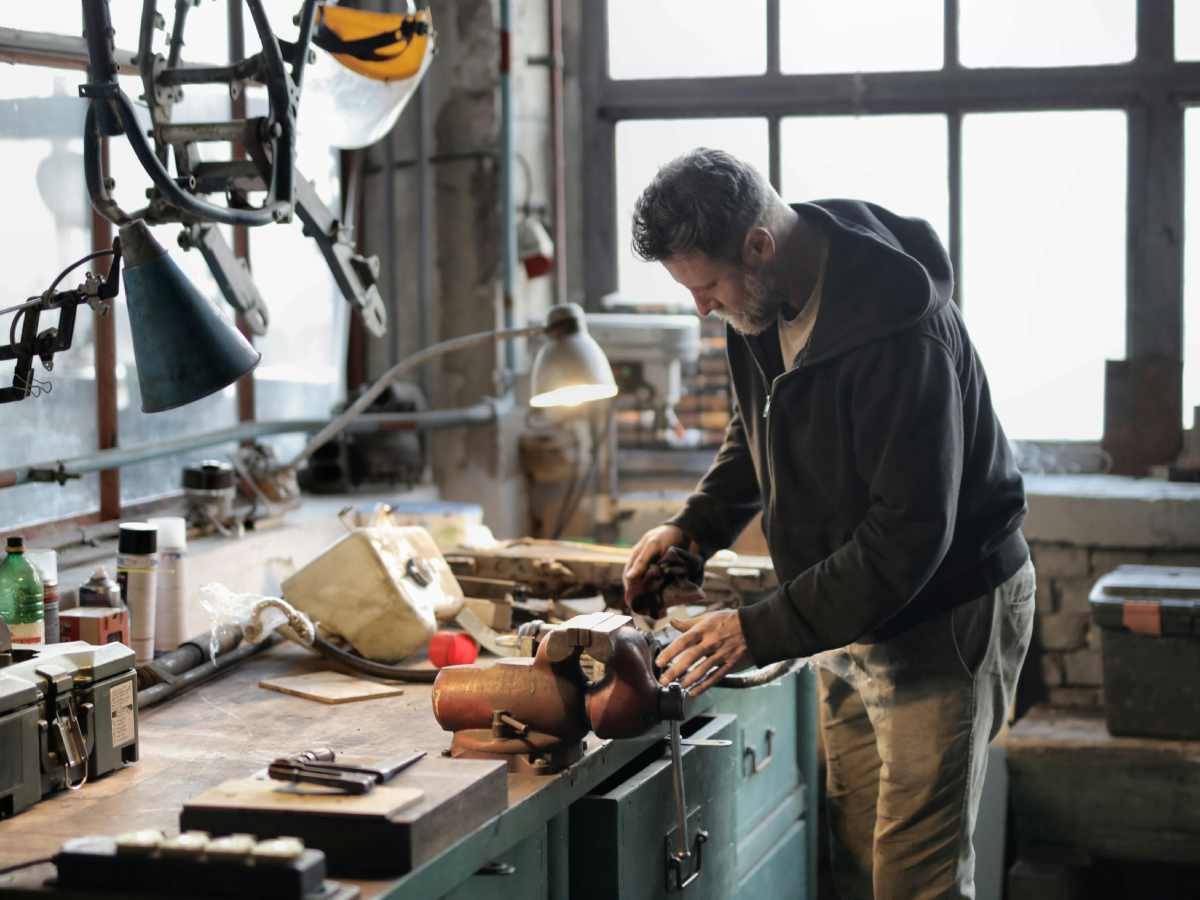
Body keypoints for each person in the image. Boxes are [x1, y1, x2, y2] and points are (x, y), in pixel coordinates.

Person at [621, 148, 1035, 900]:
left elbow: (910, 536)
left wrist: (757, 627)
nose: (700, 309)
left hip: (943, 611)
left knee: (916, 879)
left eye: (706, 286)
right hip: (841, 610)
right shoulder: (760, 301)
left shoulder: (898, 333)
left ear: (759, 243)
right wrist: (693, 528)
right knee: (856, 859)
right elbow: (758, 433)